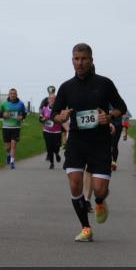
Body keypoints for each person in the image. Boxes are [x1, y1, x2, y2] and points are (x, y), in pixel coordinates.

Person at [52, 43, 127, 242]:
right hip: (77, 141)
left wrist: (110, 116)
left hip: (100, 141)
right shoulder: (66, 87)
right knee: (75, 185)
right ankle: (86, 228)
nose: (80, 63)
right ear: (72, 61)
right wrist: (61, 116)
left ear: (91, 60)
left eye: (84, 59)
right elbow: (54, 115)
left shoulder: (104, 83)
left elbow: (121, 107)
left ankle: (100, 201)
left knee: (100, 189)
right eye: (76, 59)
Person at [0, 88, 27, 168]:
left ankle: (12, 162)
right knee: (8, 147)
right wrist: (3, 115)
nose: (13, 95)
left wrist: (22, 117)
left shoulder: (21, 104)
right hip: (6, 127)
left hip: (16, 127)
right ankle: (8, 155)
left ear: (17, 95)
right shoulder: (4, 104)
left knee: (13, 145)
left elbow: (24, 113)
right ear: (9, 95)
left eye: (14, 94)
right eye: (11, 94)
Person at [40, 93, 62, 169]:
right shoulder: (44, 109)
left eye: (54, 99)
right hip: (47, 131)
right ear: (48, 100)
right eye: (50, 99)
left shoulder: (59, 110)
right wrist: (43, 119)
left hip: (57, 131)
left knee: (57, 146)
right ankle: (52, 163)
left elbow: (62, 119)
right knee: (49, 147)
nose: (52, 100)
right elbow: (40, 119)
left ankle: (57, 153)